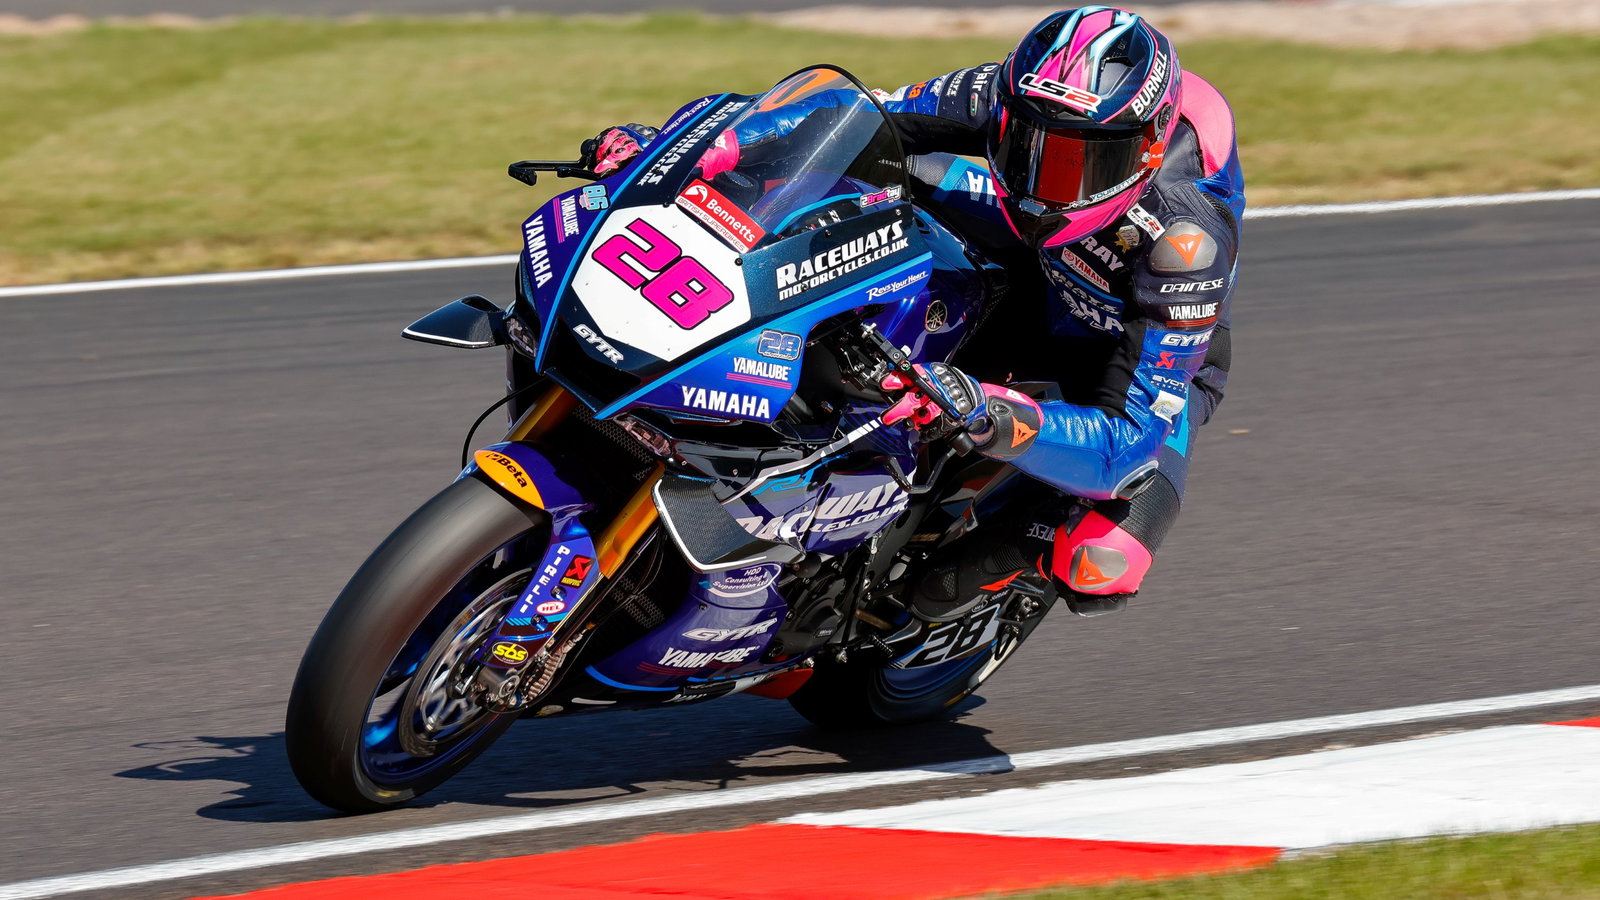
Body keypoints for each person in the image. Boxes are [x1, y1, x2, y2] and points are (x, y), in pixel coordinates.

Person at [580, 7, 1243, 621]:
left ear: (1146, 152)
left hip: (1114, 351)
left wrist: (988, 412)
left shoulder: (1185, 242)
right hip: (1016, 253)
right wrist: (706, 151)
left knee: (1101, 561)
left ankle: (998, 570)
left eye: (1080, 162)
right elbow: (851, 116)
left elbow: (1125, 443)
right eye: (1031, 145)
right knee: (862, 184)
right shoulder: (1002, 92)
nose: (1047, 182)